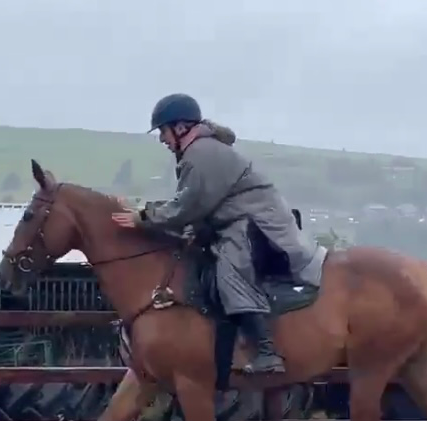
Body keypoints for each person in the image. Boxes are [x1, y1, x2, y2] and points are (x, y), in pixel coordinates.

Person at [111, 93, 324, 374]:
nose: (162, 139)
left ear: (180, 127)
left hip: (254, 225)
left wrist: (142, 217)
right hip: (238, 220)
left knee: (229, 271)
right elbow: (194, 205)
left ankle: (266, 351)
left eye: (163, 131)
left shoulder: (201, 155)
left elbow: (188, 207)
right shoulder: (199, 152)